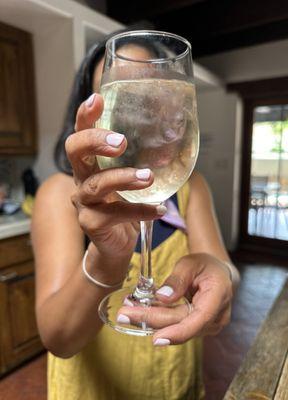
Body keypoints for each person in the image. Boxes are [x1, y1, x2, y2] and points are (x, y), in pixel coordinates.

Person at [32, 31, 240, 400]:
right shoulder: (58, 195)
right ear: (93, 108)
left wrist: (221, 275)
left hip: (175, 385)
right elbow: (57, 338)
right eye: (119, 93)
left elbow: (226, 272)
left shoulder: (192, 187)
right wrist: (106, 260)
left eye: (148, 94)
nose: (137, 111)